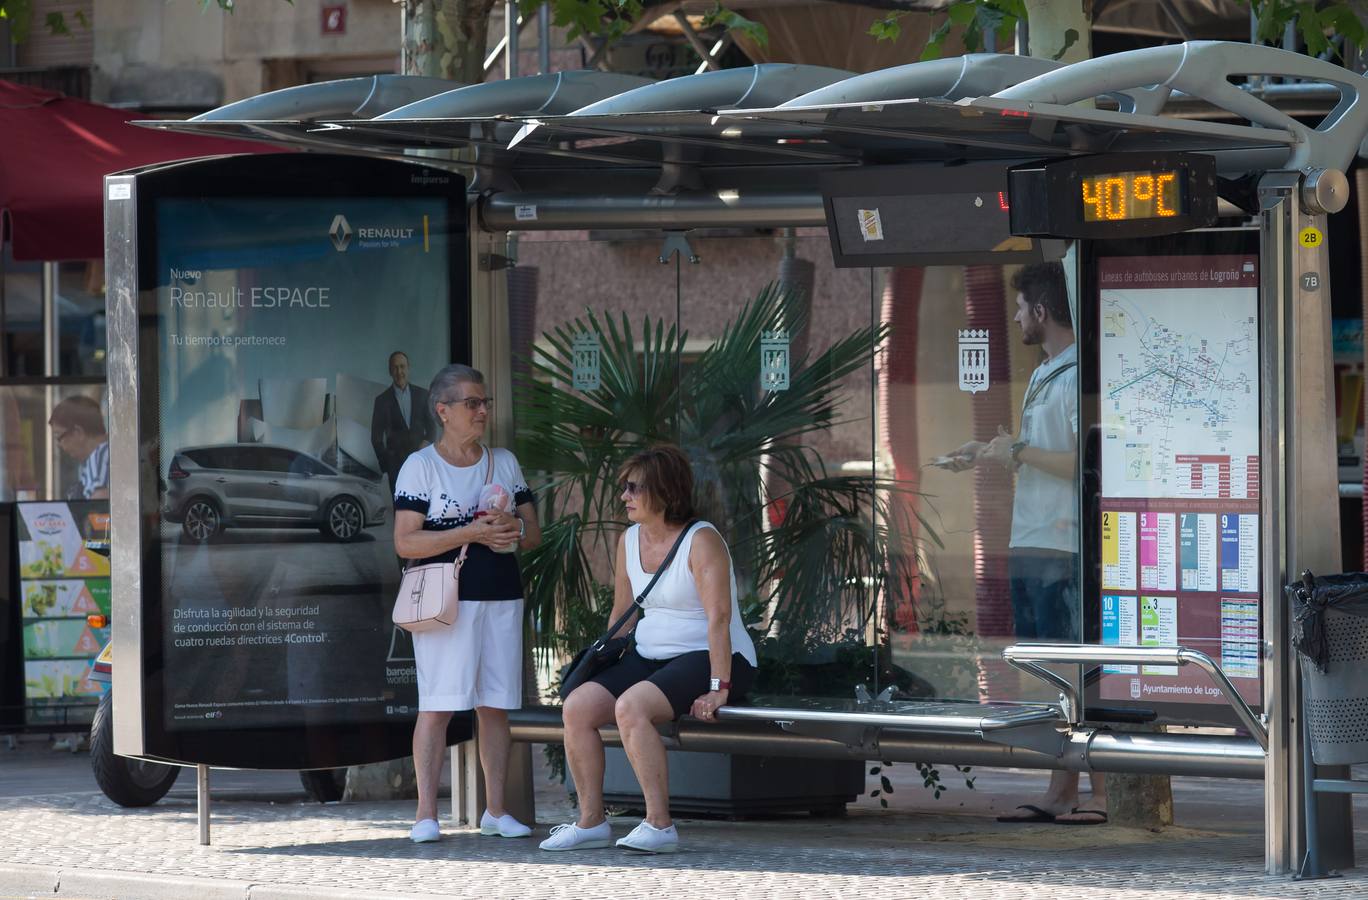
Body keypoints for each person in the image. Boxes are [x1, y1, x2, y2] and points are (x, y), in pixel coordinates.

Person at [945, 261, 1106, 825]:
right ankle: (1061, 789)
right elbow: (1035, 452)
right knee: (1049, 674)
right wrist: (987, 451)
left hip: (1063, 543)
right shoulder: (1045, 373)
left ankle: (1101, 792)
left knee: (1077, 671)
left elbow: (1081, 465)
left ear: (1041, 311)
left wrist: (1016, 452)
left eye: (1020, 309)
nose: (1014, 317)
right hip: (1033, 539)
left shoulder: (1081, 374)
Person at [540, 444, 758, 854]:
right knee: (577, 707)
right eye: (623, 487)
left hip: (710, 655)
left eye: (633, 487)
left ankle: (659, 825)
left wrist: (718, 686)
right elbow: (623, 612)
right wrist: (602, 663)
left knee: (631, 708)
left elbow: (718, 619)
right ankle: (590, 823)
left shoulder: (701, 540)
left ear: (664, 492)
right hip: (651, 654)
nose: (624, 496)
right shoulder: (629, 539)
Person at [392, 364, 541, 843]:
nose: (482, 411)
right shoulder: (421, 466)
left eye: (485, 402)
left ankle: (495, 810)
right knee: (437, 704)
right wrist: (472, 531)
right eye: (471, 403)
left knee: (494, 704)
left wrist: (508, 528)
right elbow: (405, 543)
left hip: (501, 594)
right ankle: (424, 814)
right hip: (443, 601)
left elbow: (533, 533)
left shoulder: (504, 461)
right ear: (443, 411)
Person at [372, 351, 435, 491]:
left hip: (421, 463)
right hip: (395, 468)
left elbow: (432, 427)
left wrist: (426, 443)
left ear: (408, 368)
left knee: (423, 506)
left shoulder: (423, 395)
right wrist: (386, 465)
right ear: (390, 371)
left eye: (402, 367)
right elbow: (376, 438)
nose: (399, 371)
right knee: (400, 509)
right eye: (395, 367)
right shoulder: (381, 401)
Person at [49, 395, 109, 500]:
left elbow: (100, 503)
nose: (59, 445)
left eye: (59, 437)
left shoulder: (99, 456)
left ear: (78, 432)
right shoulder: (109, 452)